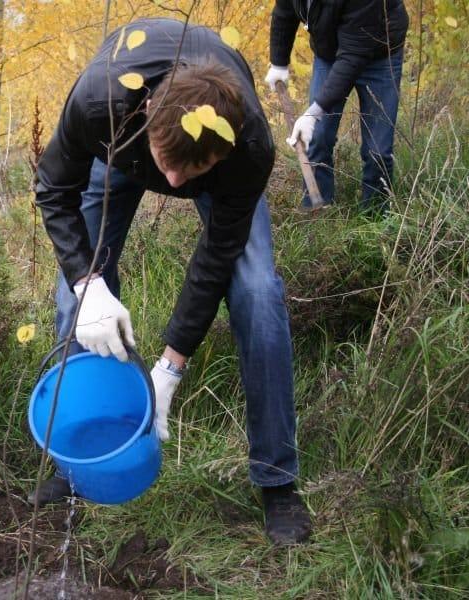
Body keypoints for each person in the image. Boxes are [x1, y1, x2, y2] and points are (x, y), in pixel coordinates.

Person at [30, 18, 311, 546]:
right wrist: (89, 285)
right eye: (169, 167)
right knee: (74, 300)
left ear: (220, 155)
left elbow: (215, 258)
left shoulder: (246, 147)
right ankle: (76, 461)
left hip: (204, 159)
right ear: (146, 120)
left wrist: (169, 369)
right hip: (123, 148)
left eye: (194, 170)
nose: (176, 185)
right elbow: (52, 188)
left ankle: (278, 482)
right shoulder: (101, 101)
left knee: (257, 294)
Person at [265, 0, 408, 212]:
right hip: (329, 52)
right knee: (316, 138)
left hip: (379, 54)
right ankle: (317, 213)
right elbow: (285, 11)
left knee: (378, 151)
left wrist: (314, 113)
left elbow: (352, 56)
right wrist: (278, 62)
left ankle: (375, 220)